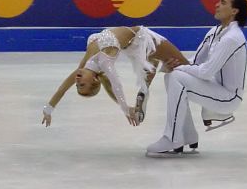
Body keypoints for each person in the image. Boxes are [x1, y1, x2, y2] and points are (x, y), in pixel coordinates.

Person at [146, 0, 247, 157]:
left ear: (234, 11)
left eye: (223, 2)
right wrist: (174, 65)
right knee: (172, 76)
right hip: (216, 89)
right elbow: (194, 62)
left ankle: (172, 138)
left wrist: (179, 69)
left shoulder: (232, 38)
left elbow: (207, 72)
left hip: (229, 97)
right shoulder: (214, 32)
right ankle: (187, 135)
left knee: (177, 77)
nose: (217, 4)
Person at [41, 27, 189, 127]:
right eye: (82, 85)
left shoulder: (82, 68)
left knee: (154, 63)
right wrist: (125, 108)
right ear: (94, 80)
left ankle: (144, 90)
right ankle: (207, 104)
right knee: (185, 65)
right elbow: (116, 85)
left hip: (131, 46)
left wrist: (48, 109)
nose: (77, 81)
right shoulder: (105, 62)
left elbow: (62, 89)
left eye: (77, 85)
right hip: (141, 37)